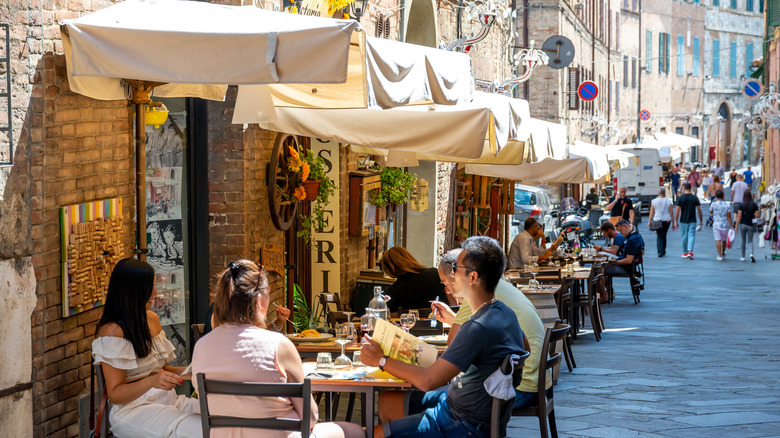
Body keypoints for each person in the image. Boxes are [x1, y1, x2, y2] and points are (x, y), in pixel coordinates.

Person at [362, 236, 527, 438]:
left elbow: (428, 381)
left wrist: (381, 360)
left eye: (456, 269)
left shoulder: (477, 327)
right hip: (462, 406)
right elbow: (523, 349)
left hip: (463, 422)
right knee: (388, 401)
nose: (451, 275)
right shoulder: (505, 313)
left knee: (373, 434)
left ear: (472, 278)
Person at [191, 260, 364, 438]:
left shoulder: (201, 347)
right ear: (259, 301)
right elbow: (311, 417)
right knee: (355, 431)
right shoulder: (279, 345)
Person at [92, 258, 201, 437]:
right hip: (134, 411)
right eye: (150, 288)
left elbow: (162, 370)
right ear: (133, 292)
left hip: (168, 400)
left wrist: (194, 371)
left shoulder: (151, 319)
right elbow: (116, 394)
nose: (156, 293)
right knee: (202, 430)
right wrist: (151, 382)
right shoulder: (112, 332)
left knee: (221, 417)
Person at [432, 249, 546, 409]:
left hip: (518, 388)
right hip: (533, 381)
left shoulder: (476, 292)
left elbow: (453, 345)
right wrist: (453, 319)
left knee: (449, 397)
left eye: (445, 282)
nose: (447, 290)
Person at [380, 246, 449, 312]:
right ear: (408, 258)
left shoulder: (393, 291)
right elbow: (451, 299)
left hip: (412, 323)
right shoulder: (434, 273)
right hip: (444, 322)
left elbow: (393, 319)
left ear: (390, 269)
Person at [674, 182, 703, 260]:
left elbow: (677, 210)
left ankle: (685, 252)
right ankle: (690, 251)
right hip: (692, 219)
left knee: (684, 236)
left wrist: (676, 221)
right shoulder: (694, 197)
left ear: (683, 188)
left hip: (683, 219)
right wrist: (701, 220)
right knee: (692, 235)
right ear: (690, 188)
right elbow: (699, 209)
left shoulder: (680, 198)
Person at [735, 190, 760, 262]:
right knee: (750, 241)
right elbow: (757, 215)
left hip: (743, 224)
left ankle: (743, 257)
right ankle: (751, 254)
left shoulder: (741, 205)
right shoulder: (754, 205)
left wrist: (736, 225)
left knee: (743, 241)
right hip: (751, 225)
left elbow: (739, 216)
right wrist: (753, 218)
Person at [649, 187, 674, 257]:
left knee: (659, 235)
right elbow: (671, 213)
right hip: (667, 220)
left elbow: (651, 213)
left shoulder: (653, 201)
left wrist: (649, 221)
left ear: (658, 192)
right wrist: (674, 222)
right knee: (664, 234)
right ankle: (663, 250)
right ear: (664, 192)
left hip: (657, 219)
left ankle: (660, 251)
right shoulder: (668, 201)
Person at [709, 189, 732, 261]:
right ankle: (723, 252)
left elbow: (711, 212)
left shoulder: (713, 204)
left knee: (717, 240)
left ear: (716, 196)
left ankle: (720, 255)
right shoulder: (727, 205)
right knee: (723, 240)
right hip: (724, 224)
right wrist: (732, 225)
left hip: (716, 224)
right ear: (723, 196)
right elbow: (728, 216)